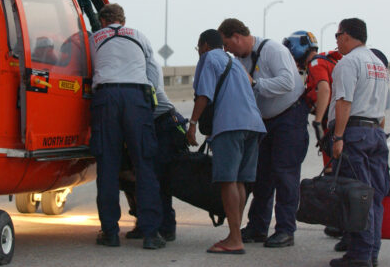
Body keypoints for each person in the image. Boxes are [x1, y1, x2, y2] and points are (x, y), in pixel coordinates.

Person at [218, 18, 309, 248]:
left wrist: (256, 84)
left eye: (227, 45)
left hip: (289, 118)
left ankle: (285, 230)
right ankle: (258, 227)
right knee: (261, 177)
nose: (227, 51)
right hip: (264, 123)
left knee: (285, 175)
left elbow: (288, 82)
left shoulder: (273, 50)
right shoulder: (238, 60)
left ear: (237, 37)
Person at [89, 3, 165, 250]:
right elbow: (153, 72)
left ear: (102, 22)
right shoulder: (139, 36)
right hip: (136, 96)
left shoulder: (94, 38)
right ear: (123, 20)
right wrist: (147, 101)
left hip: (106, 98)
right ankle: (151, 233)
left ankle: (110, 233)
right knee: (144, 164)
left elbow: (89, 68)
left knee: (108, 166)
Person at [186, 29, 266, 255]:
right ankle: (235, 234)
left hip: (230, 125)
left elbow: (204, 94)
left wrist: (192, 124)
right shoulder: (235, 63)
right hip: (253, 125)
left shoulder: (209, 58)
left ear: (203, 45)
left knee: (227, 180)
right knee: (240, 181)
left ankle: (235, 239)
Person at [327, 18, 390, 267]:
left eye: (337, 35)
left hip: (355, 133)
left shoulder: (348, 62)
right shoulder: (378, 64)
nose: (336, 40)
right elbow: (383, 109)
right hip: (375, 133)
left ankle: (359, 255)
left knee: (358, 196)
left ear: (346, 35)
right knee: (374, 196)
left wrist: (339, 137)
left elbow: (344, 101)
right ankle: (371, 252)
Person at [283, 30, 345, 240]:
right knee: (337, 171)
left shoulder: (316, 64)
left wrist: (318, 121)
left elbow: (324, 90)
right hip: (339, 123)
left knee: (333, 173)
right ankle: (341, 223)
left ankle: (339, 223)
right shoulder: (328, 61)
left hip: (331, 124)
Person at [123, 59, 189, 242]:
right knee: (133, 177)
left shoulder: (142, 70)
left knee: (158, 177)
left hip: (162, 123)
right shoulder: (135, 68)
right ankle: (145, 223)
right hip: (148, 124)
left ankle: (166, 227)